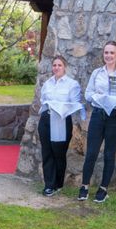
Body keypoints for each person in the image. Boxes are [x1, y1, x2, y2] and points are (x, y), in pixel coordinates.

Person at [78, 41, 116, 203]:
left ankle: (103, 189)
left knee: (110, 154)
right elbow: (88, 93)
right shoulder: (97, 73)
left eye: (111, 52)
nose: (108, 55)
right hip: (98, 115)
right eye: (106, 53)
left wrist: (109, 99)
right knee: (92, 153)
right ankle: (84, 186)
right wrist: (98, 97)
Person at [38, 56, 82, 196]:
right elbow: (43, 100)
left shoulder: (72, 84)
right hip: (46, 119)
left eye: (60, 65)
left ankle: (58, 183)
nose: (56, 67)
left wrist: (60, 107)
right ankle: (48, 185)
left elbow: (75, 104)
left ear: (65, 67)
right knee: (47, 152)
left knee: (59, 153)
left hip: (62, 120)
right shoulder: (48, 83)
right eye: (54, 65)